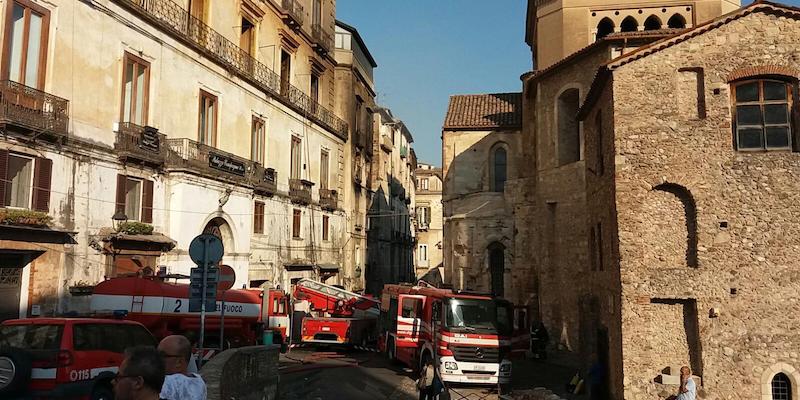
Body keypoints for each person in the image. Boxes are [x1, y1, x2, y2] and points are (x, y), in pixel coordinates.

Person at [158, 335, 207, 400]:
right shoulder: (199, 382)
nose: (156, 358)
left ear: (179, 362)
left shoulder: (167, 382)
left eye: (162, 355)